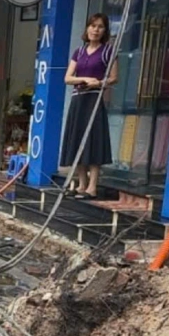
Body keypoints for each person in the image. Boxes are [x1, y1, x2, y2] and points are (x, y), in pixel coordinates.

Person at [60, 13, 118, 200]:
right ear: (87, 28)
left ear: (105, 30)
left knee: (93, 142)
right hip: (78, 100)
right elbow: (68, 78)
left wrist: (98, 83)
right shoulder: (79, 51)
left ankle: (92, 187)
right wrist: (84, 79)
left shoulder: (108, 51)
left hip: (94, 100)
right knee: (77, 141)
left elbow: (114, 78)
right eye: (93, 26)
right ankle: (81, 184)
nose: (96, 30)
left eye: (100, 26)